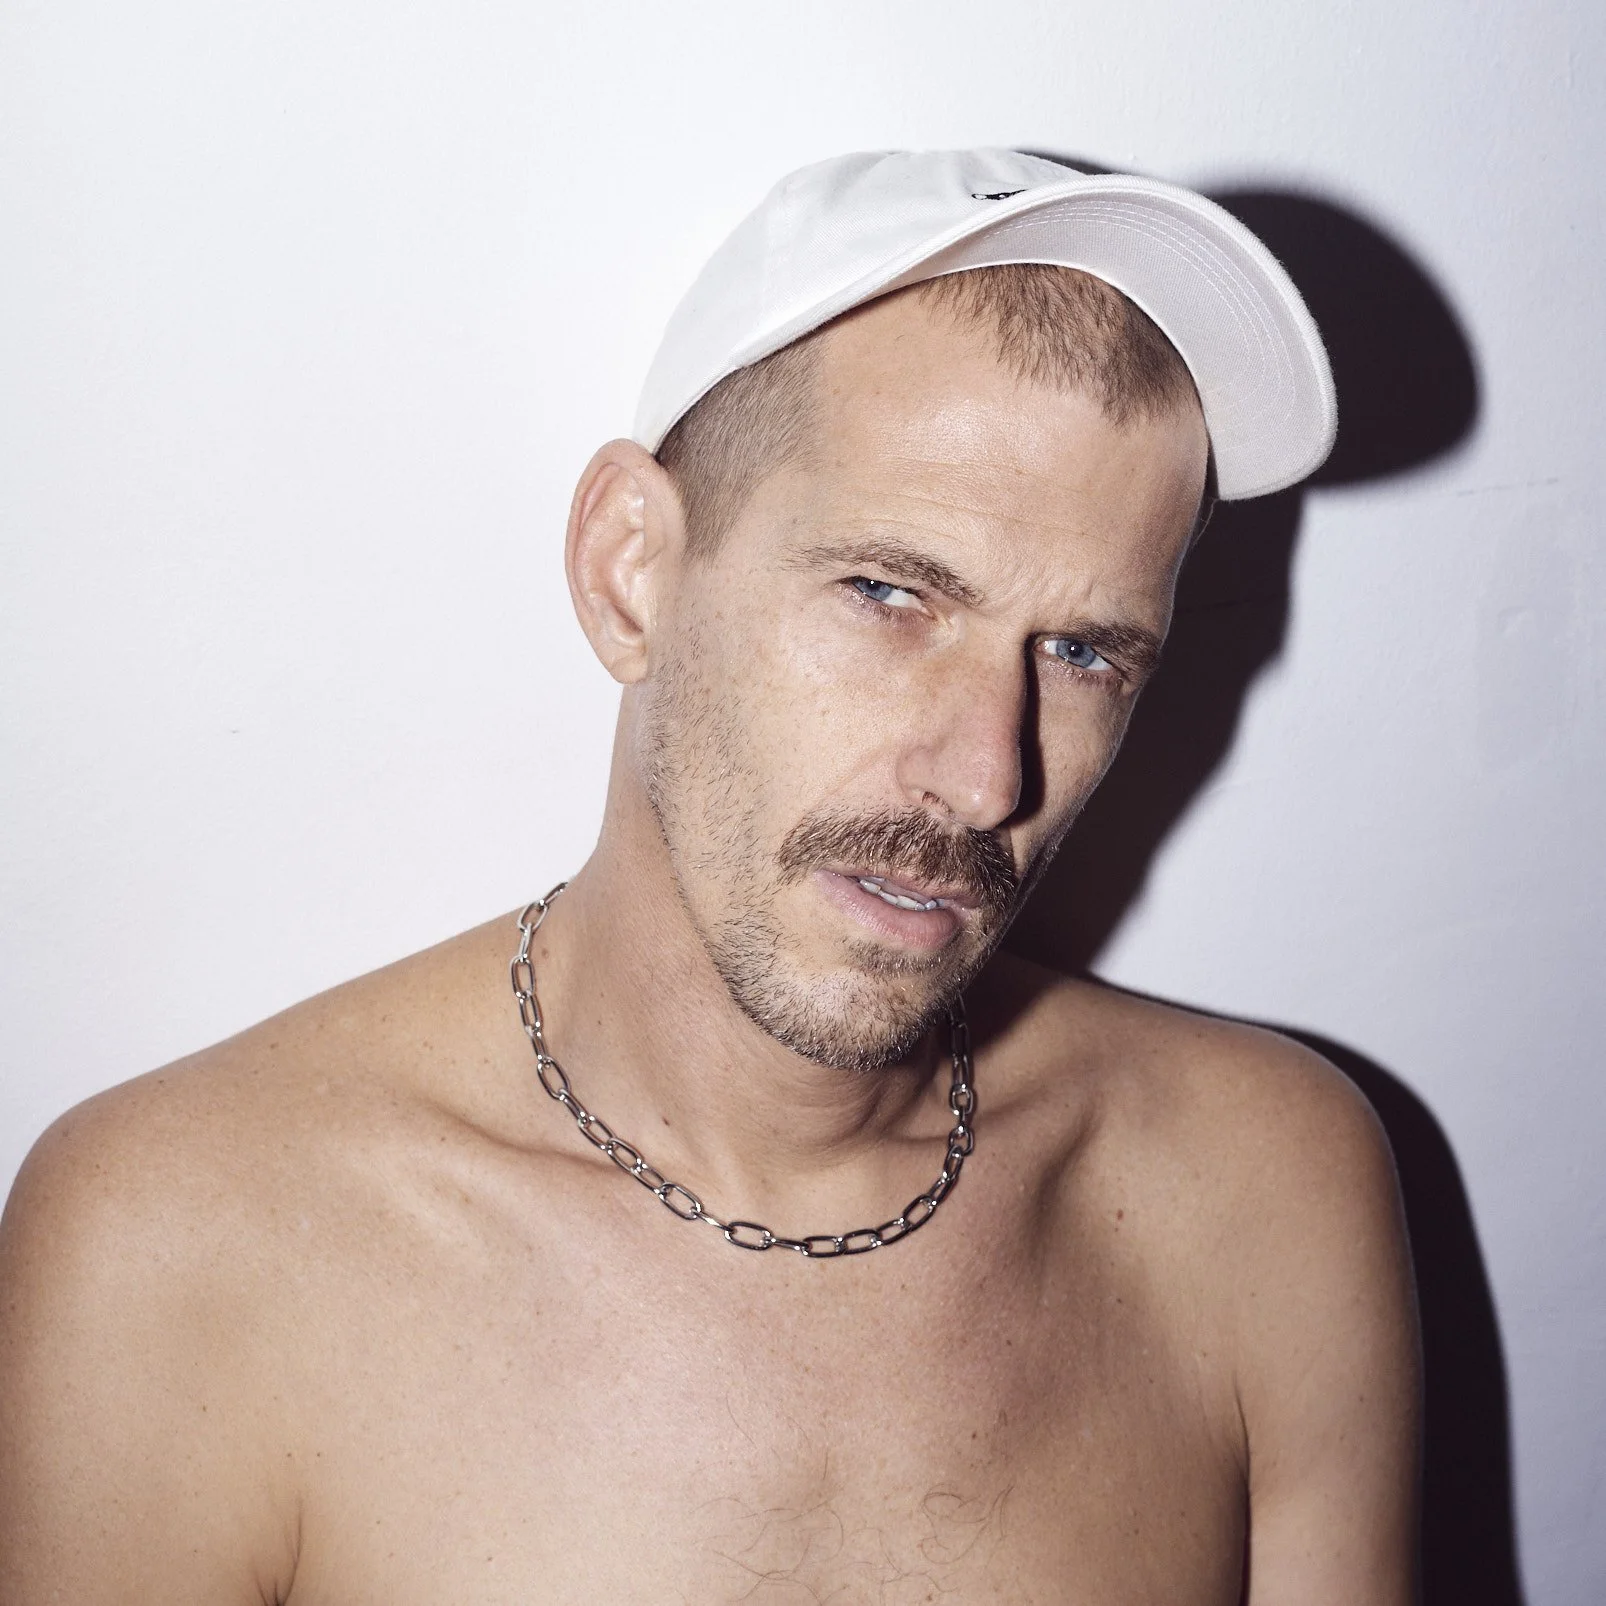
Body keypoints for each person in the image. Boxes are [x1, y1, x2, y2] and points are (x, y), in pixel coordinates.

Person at [0, 149, 1419, 1604]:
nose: (988, 778)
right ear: (630, 572)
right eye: (890, 594)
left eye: (1079, 651)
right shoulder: (186, 1246)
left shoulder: (1262, 1185)